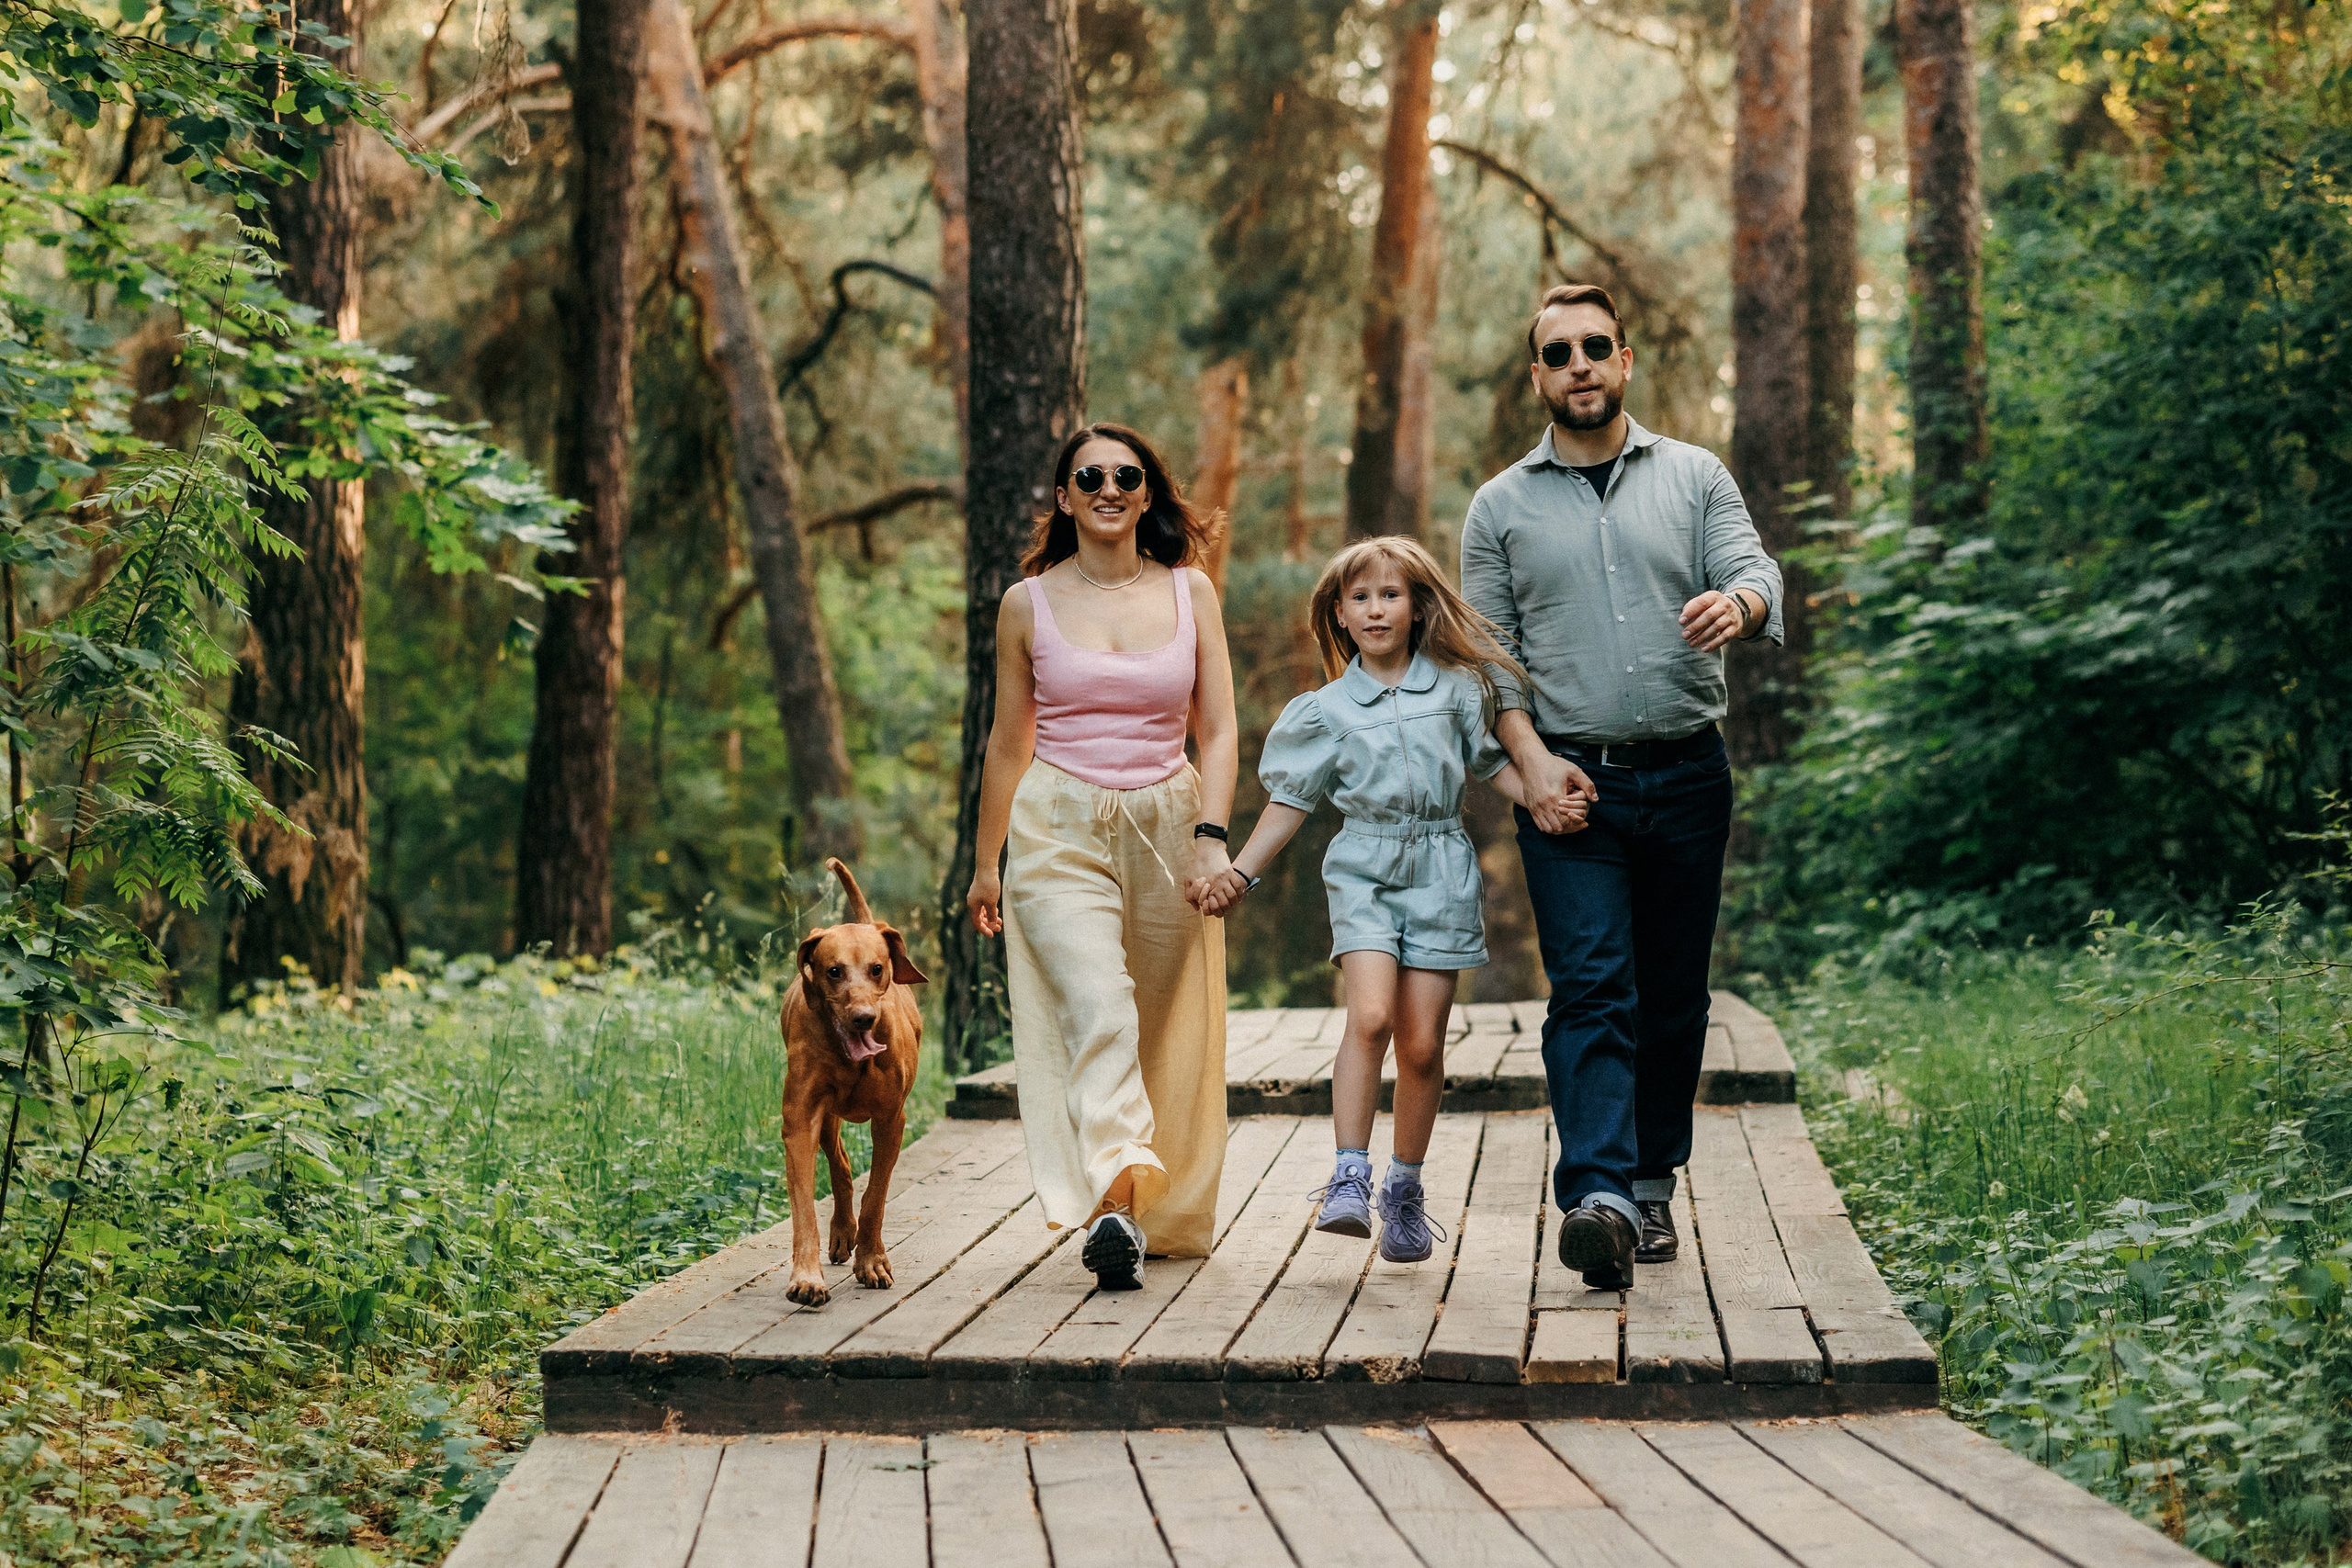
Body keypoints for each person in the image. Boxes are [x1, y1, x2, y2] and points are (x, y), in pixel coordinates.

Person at [1460, 282, 1784, 1292]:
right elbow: (1486, 660)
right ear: (1538, 378)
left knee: (1674, 995)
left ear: (1625, 359)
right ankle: (1596, 1196)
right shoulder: (1499, 507)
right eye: (1558, 354)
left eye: (1595, 346)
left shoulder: (1692, 476)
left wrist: (1738, 602)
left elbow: (1754, 568)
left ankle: (1650, 1183)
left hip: (1688, 775)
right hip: (1571, 788)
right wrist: (1530, 764)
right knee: (1595, 987)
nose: (1580, 366)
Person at [1193, 537, 1577, 1262]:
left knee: (1424, 1045)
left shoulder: (1458, 691)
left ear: (1417, 606)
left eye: (1390, 594)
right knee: (1369, 1016)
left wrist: (1553, 800)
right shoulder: (1326, 710)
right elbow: (1290, 802)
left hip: (1441, 867)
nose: (1375, 608)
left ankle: (1405, 1188)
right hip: (1364, 865)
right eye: (1360, 597)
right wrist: (1238, 873)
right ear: (1339, 612)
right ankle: (1348, 1176)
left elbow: (1502, 772)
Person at [966, 423, 1239, 1293]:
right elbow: (1009, 742)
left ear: (1147, 492)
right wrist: (986, 862)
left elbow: (1222, 728)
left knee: (1155, 1021)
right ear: (1064, 496)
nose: (1109, 487)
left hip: (1169, 820)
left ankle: (1144, 1201)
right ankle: (1115, 1205)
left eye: (1127, 475)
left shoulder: (1190, 592)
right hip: (1057, 825)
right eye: (1091, 476)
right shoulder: (1028, 603)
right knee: (1099, 1007)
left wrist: (1211, 837)